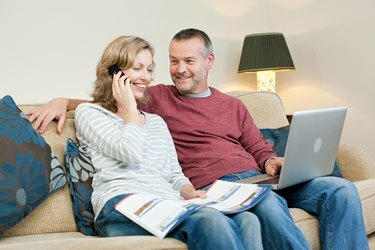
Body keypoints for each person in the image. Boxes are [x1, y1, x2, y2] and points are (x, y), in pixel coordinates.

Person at [28, 29, 368, 249]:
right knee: (257, 206)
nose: (178, 70)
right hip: (220, 186)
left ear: (209, 61)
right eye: (173, 62)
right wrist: (63, 101)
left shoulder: (225, 106)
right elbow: (108, 108)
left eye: (188, 61)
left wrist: (270, 161)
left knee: (340, 188)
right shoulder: (156, 99)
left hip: (261, 177)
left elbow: (253, 147)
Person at [66, 35, 264, 250]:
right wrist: (130, 109)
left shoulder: (156, 122)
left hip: (168, 203)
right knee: (210, 220)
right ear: (114, 72)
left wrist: (191, 193)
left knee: (247, 219)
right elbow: (129, 152)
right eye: (137, 68)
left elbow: (174, 174)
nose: (145, 77)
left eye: (149, 69)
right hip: (120, 205)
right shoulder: (90, 113)